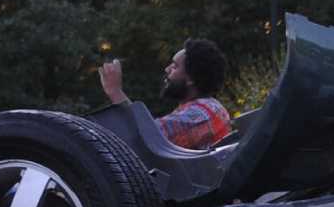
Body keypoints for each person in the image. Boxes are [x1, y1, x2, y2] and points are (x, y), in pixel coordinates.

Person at [98, 39, 233, 150]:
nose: (167, 69)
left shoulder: (201, 114)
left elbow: (144, 137)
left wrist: (115, 91)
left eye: (175, 66)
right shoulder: (204, 109)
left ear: (191, 79)